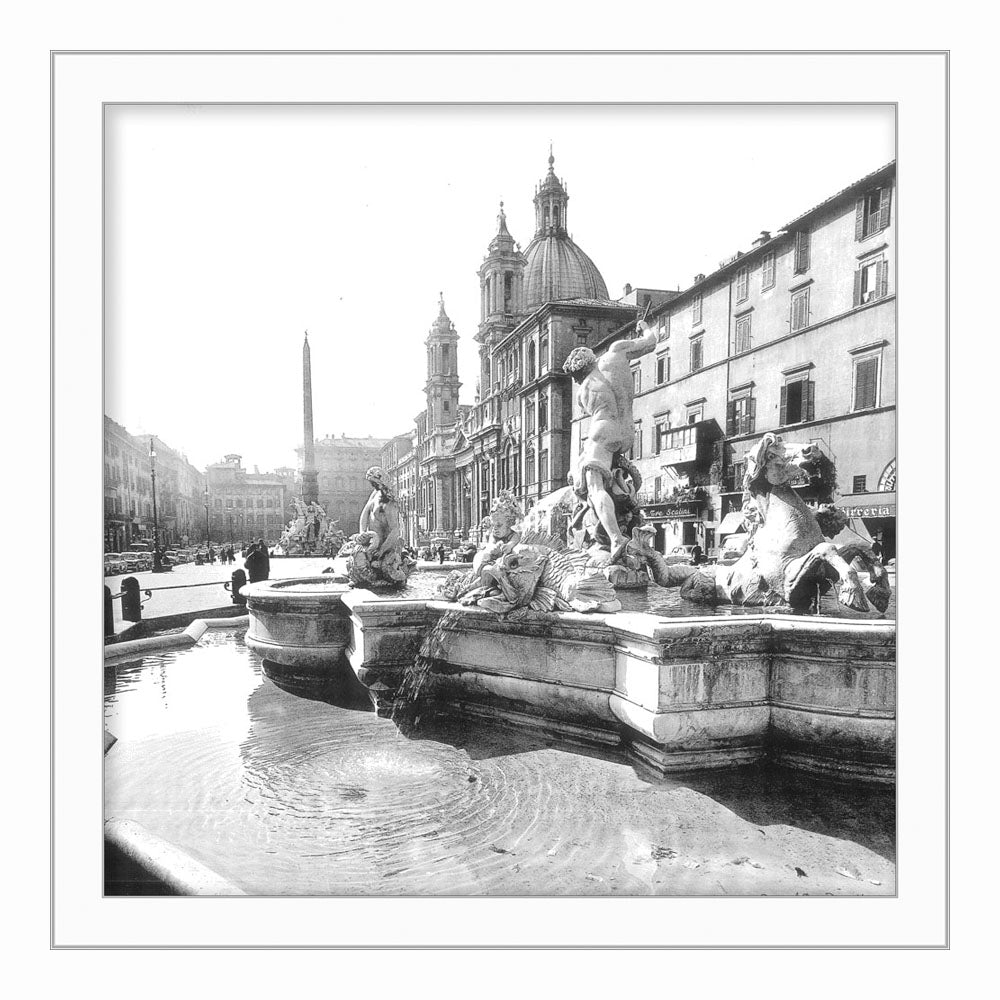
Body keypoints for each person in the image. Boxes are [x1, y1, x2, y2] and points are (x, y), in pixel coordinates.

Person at [563, 315, 659, 562]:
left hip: (602, 430)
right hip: (626, 432)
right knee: (595, 475)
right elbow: (651, 342)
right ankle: (609, 526)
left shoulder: (583, 391)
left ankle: (615, 538)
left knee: (593, 485)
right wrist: (644, 327)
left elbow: (591, 413)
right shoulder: (616, 353)